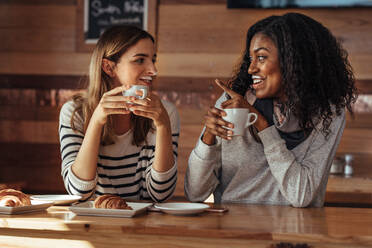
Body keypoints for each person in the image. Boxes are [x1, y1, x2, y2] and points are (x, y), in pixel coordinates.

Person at [185, 13, 357, 207]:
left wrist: (263, 126)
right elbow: (195, 193)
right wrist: (208, 137)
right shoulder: (232, 103)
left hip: (296, 233)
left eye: (261, 57)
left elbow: (301, 195)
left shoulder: (328, 114)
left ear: (293, 60)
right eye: (251, 58)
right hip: (234, 230)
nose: (251, 69)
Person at [59, 25, 179, 202]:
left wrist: (163, 125)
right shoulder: (75, 112)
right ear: (108, 67)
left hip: (144, 224)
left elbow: (161, 195)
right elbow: (79, 192)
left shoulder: (165, 112)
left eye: (153, 60)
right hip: (92, 223)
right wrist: (97, 121)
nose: (153, 70)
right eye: (140, 60)